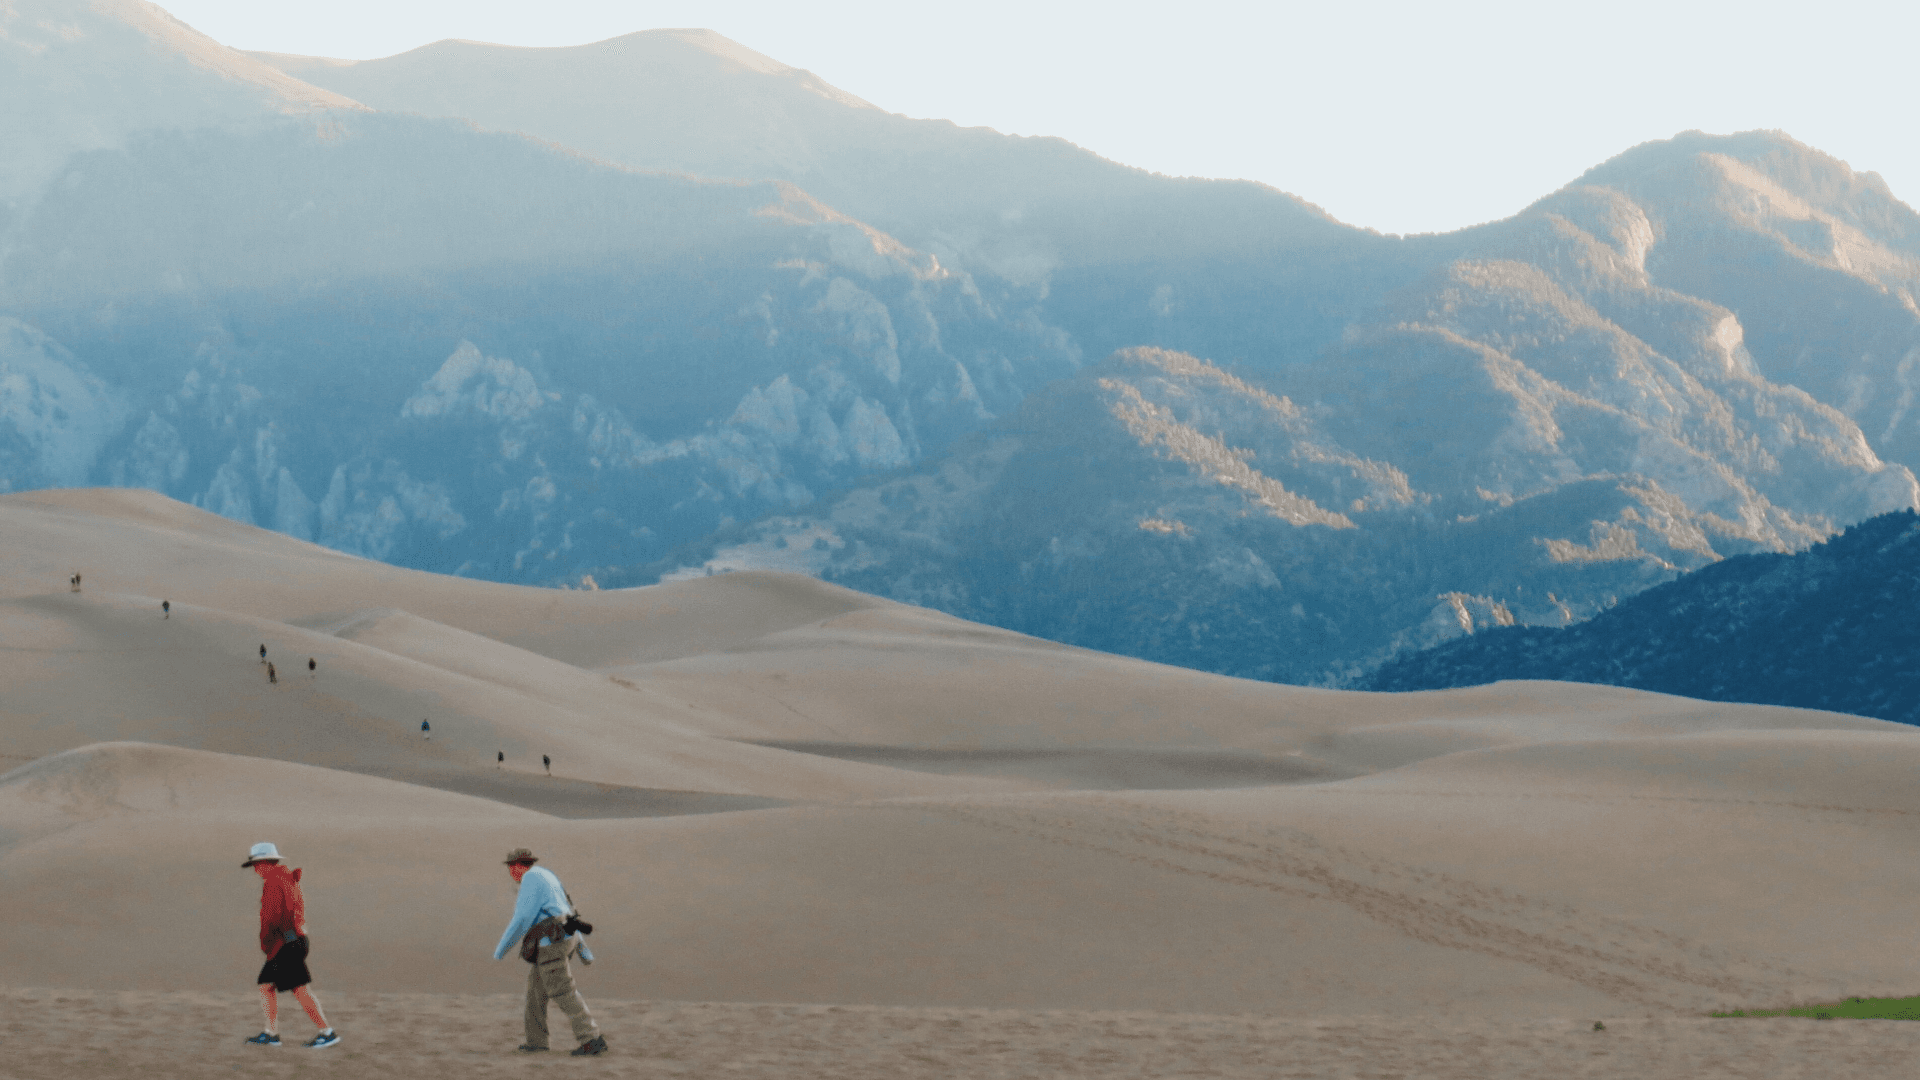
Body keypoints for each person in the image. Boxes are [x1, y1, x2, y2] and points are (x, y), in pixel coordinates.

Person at [493, 848, 605, 1056]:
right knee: (536, 994)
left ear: (517, 866)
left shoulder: (530, 879)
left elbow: (523, 918)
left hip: (550, 945)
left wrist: (501, 950)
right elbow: (569, 912)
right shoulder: (547, 875)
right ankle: (536, 1042)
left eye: (510, 867)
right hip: (564, 938)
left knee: (563, 992)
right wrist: (583, 951)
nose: (510, 873)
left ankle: (591, 1038)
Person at [242, 843, 340, 1049]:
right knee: (267, 985)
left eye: (256, 864)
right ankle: (271, 1034)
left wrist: (269, 942)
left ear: (265, 863)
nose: (255, 869)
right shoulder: (285, 877)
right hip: (292, 941)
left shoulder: (274, 881)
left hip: (286, 943)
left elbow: (275, 916)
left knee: (299, 989)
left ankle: (327, 1032)